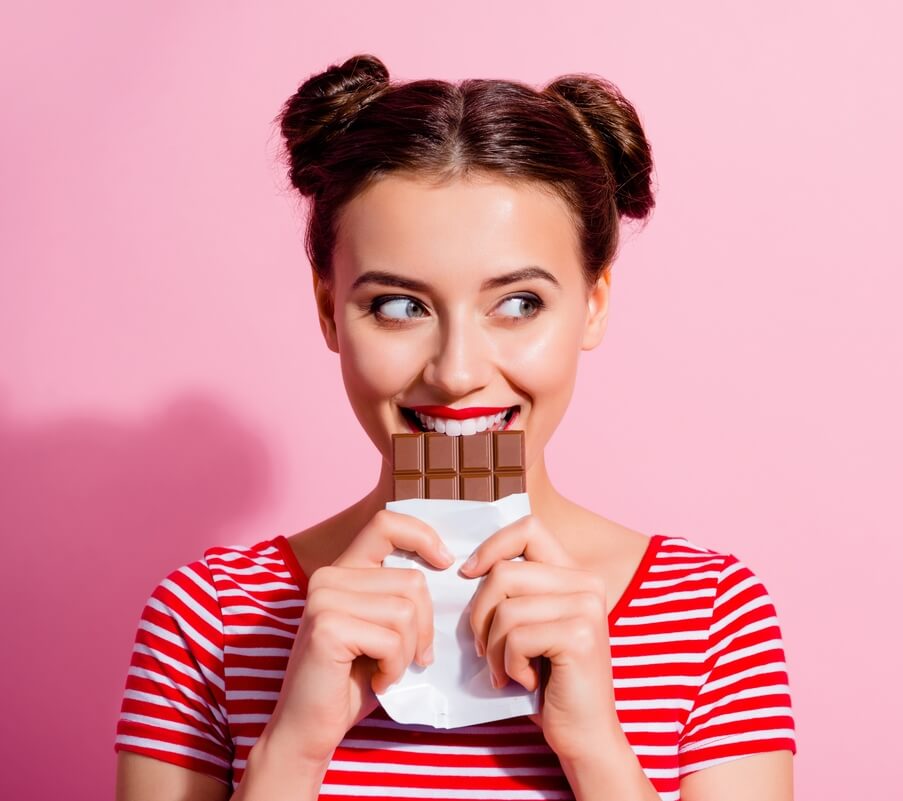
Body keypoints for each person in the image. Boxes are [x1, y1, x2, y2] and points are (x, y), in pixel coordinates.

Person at [114, 53, 796, 801]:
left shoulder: (711, 617)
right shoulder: (207, 620)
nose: (457, 370)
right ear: (327, 308)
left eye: (519, 303)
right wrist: (292, 751)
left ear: (595, 302)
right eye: (400, 306)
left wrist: (598, 748)